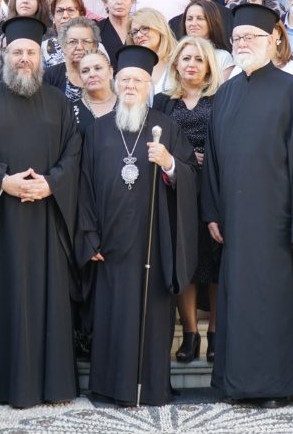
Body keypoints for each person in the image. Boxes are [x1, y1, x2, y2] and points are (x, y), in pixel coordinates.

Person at [202, 4, 293, 408]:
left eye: (250, 38)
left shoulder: (290, 89)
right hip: (234, 221)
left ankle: (275, 385)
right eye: (237, 38)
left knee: (274, 301)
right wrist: (212, 212)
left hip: (277, 217)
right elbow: (213, 158)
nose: (242, 44)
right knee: (239, 301)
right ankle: (237, 383)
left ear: (272, 41)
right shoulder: (226, 92)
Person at [0, 16, 82, 408]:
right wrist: (2, 181)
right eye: (17, 52)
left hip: (46, 220)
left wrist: (52, 183)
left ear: (41, 57)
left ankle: (52, 386)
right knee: (1, 298)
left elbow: (73, 153)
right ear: (5, 54)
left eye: (31, 52)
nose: (24, 59)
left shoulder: (58, 102)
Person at [77, 45, 199, 406]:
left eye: (138, 81)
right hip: (110, 243)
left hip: (153, 241)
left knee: (152, 312)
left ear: (149, 86)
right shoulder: (97, 130)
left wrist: (169, 163)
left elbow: (190, 177)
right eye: (125, 79)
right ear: (116, 83)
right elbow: (83, 186)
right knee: (112, 314)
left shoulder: (167, 127)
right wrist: (89, 236)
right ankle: (110, 386)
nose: (130, 86)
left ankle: (152, 387)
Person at [153, 37, 223, 364]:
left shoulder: (222, 99)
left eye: (198, 59)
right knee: (186, 260)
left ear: (208, 66)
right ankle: (191, 335)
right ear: (176, 64)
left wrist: (209, 159)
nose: (191, 64)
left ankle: (216, 334)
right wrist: (183, 159)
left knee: (214, 260)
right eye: (185, 58)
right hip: (177, 188)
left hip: (213, 187)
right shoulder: (163, 102)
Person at [43, 17, 100, 102]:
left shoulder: (103, 75)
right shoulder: (48, 76)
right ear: (63, 46)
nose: (79, 47)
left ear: (95, 46)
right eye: (72, 42)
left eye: (86, 41)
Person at [126, 8, 178, 94]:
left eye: (144, 28)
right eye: (134, 32)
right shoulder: (131, 68)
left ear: (159, 28)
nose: (138, 35)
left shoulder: (179, 61)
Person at [179, 0, 234, 78]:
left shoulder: (223, 57)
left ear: (212, 22)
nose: (193, 23)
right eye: (189, 19)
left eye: (200, 18)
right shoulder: (177, 55)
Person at [70, 50, 117, 134]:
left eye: (98, 68)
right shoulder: (70, 111)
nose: (92, 74)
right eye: (85, 71)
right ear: (80, 77)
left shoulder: (128, 105)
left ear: (110, 72)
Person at [97, 0, 137, 65]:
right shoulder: (96, 31)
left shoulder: (141, 29)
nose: (119, 2)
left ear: (132, 0)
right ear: (105, 1)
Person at [43, 0, 86, 66]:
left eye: (70, 10)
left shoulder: (94, 47)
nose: (65, 15)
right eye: (59, 11)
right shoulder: (42, 50)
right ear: (53, 18)